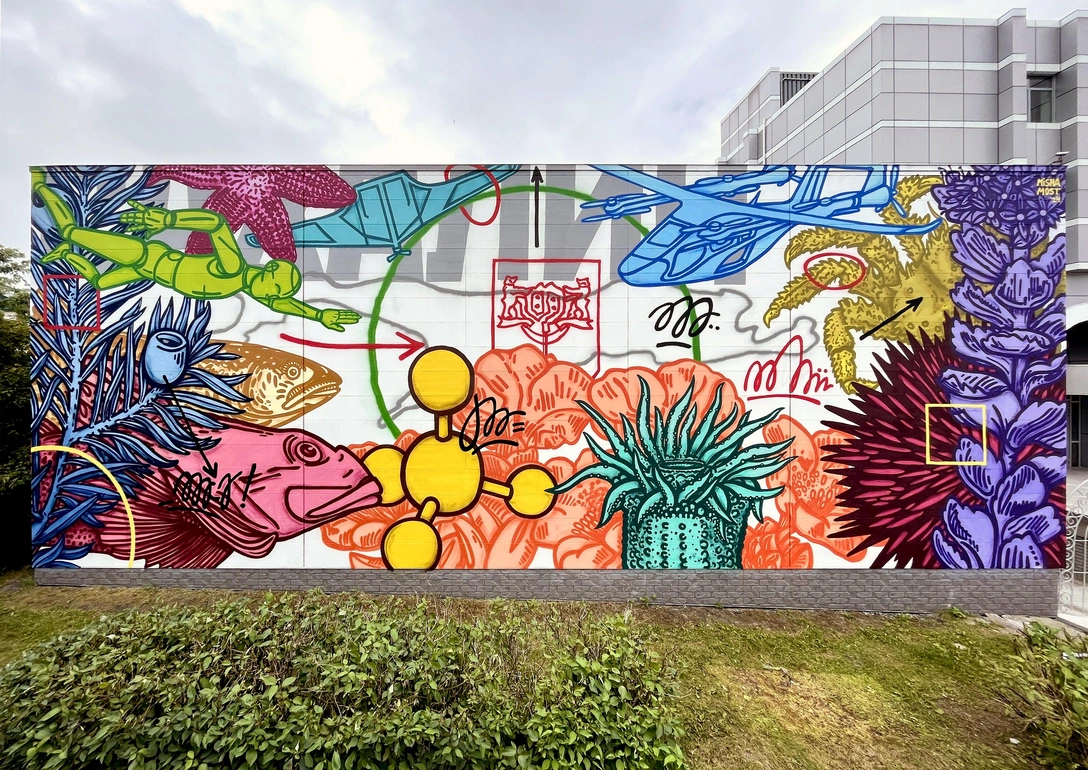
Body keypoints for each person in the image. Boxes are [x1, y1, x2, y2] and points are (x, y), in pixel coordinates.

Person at [31, 169, 360, 331]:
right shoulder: (233, 268)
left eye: (274, 293)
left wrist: (318, 315)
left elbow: (282, 303)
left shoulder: (252, 286)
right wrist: (167, 218)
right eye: (274, 287)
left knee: (99, 282)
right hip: (146, 256)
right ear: (267, 274)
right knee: (72, 232)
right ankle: (43, 186)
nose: (272, 298)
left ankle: (68, 256)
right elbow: (215, 223)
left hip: (146, 271)